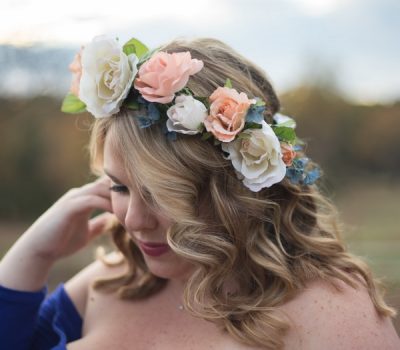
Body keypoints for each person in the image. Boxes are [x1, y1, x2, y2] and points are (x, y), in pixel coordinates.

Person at [0, 35, 399, 350]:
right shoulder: (108, 284)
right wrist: (32, 255)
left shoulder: (332, 310)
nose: (134, 220)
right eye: (120, 186)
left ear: (238, 186)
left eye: (163, 194)